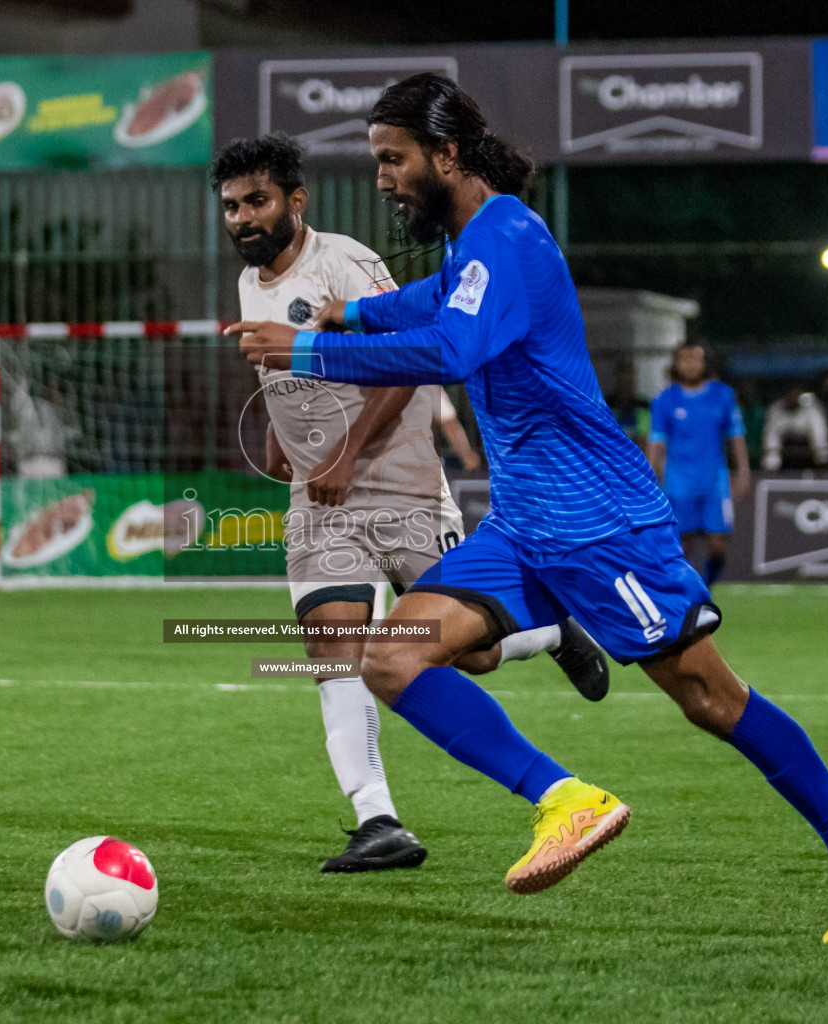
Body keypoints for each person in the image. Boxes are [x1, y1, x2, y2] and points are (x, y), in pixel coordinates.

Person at [228, 73, 828, 944]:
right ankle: (566, 800)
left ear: (446, 153)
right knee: (391, 661)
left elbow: (453, 344)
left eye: (393, 160)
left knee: (709, 698)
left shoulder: (506, 233)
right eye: (376, 162)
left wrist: (313, 345)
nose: (383, 178)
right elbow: (434, 303)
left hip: (599, 523)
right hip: (525, 524)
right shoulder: (470, 243)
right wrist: (355, 308)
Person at [213, 132, 608, 874]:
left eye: (257, 201)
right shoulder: (249, 282)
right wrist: (278, 432)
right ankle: (379, 822)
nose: (241, 218)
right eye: (231, 206)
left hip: (404, 490)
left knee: (476, 654)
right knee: (334, 648)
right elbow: (284, 370)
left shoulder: (349, 263)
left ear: (296, 201)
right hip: (320, 502)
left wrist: (345, 451)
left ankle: (552, 630)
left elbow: (414, 361)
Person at [646, 343, 750, 590]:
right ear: (676, 363)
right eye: (685, 359)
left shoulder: (722, 395)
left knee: (717, 543)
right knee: (683, 543)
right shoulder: (664, 400)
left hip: (715, 482)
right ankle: (691, 592)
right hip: (679, 482)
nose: (691, 364)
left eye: (696, 358)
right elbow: (656, 442)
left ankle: (706, 586)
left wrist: (743, 470)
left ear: (704, 362)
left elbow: (735, 436)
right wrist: (650, 477)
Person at [761, 386, 828, 472]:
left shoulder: (810, 407)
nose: (793, 397)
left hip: (805, 438)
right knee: (772, 433)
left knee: (817, 423)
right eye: (791, 395)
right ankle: (772, 460)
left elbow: (819, 430)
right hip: (784, 437)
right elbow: (770, 432)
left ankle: (822, 455)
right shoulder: (776, 408)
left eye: (796, 394)